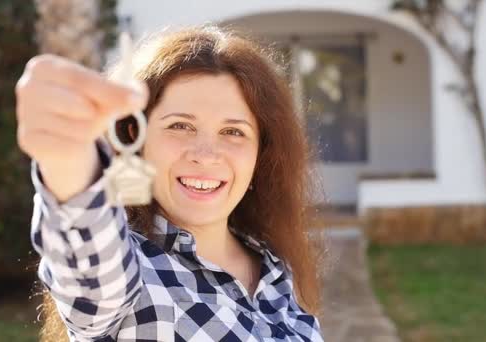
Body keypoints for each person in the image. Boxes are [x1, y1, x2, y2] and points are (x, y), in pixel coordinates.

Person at [16, 25, 324, 341]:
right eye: (180, 126)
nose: (206, 155)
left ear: (261, 152)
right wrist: (68, 156)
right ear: (135, 137)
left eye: (233, 132)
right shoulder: (128, 278)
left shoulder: (276, 269)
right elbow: (87, 251)